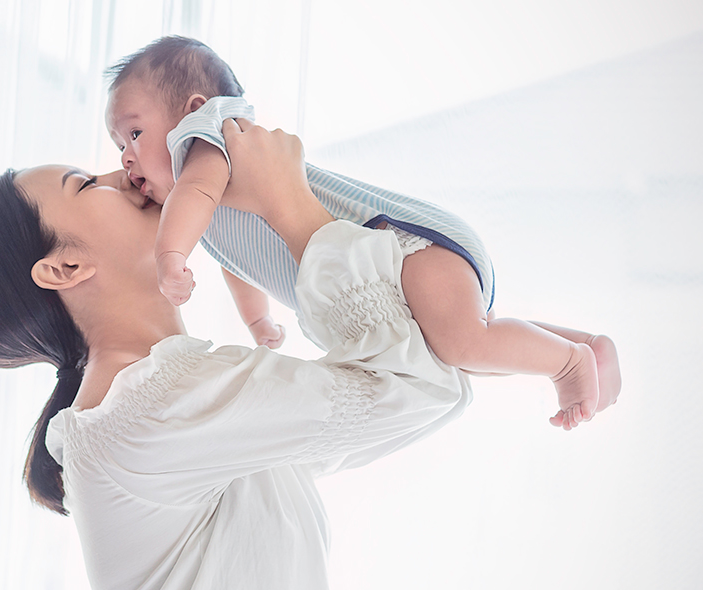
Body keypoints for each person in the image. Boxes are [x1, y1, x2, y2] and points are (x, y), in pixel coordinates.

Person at [0, 119, 472, 590]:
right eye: (85, 184)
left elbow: (422, 389)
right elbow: (422, 388)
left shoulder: (158, 405)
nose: (121, 173)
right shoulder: (152, 410)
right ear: (64, 268)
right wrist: (288, 206)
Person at [104, 35, 620, 429]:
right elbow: (236, 262)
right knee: (460, 351)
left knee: (465, 343)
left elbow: (195, 193)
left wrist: (170, 254)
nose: (125, 157)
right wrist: (257, 320)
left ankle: (567, 364)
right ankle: (584, 345)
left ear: (194, 109)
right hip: (393, 268)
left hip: (404, 247)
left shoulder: (211, 137)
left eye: (134, 132)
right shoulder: (207, 204)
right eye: (118, 144)